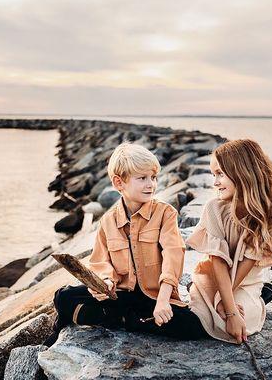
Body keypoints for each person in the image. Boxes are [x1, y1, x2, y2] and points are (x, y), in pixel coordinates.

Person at [44, 142, 207, 346]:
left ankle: (119, 320)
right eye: (142, 178)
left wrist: (164, 300)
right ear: (119, 183)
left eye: (153, 177)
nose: (151, 184)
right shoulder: (108, 220)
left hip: (154, 296)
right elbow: (100, 261)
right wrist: (105, 283)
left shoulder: (165, 213)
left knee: (191, 327)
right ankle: (123, 319)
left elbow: (173, 256)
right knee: (63, 297)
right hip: (120, 295)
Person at [186, 139, 272, 344]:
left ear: (241, 171)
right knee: (201, 317)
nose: (215, 182)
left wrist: (228, 307)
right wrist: (228, 307)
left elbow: (251, 258)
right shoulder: (214, 208)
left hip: (246, 280)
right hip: (216, 276)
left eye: (220, 174)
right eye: (213, 175)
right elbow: (218, 261)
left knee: (234, 325)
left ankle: (261, 294)